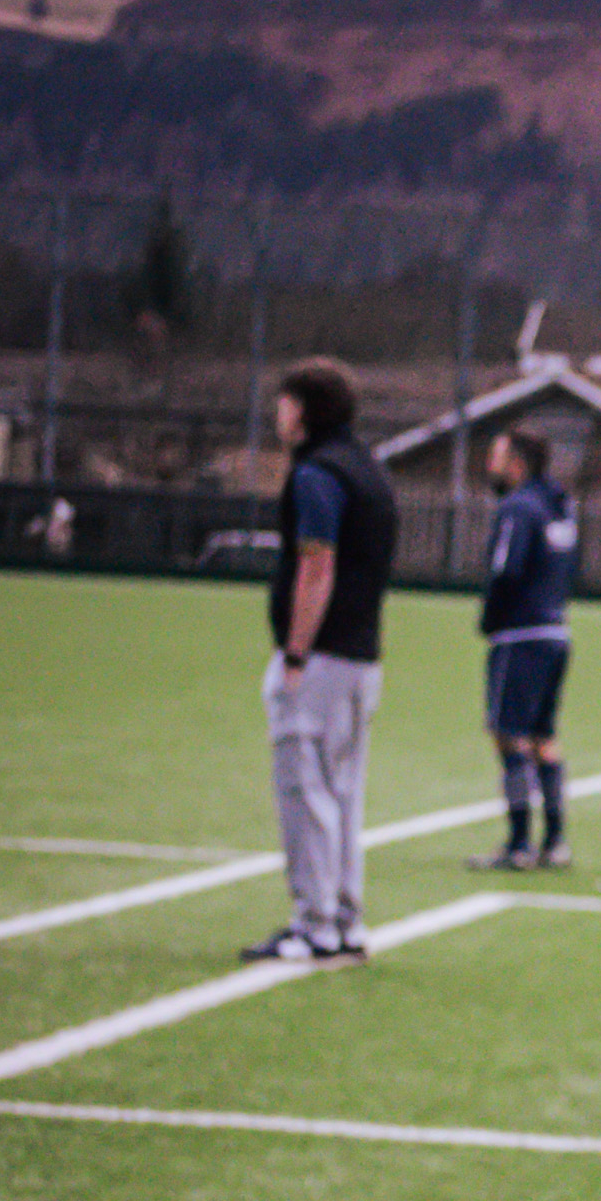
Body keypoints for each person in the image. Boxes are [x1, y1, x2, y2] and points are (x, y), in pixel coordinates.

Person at [240, 360, 398, 965]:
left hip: (322, 658)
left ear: (304, 409)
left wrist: (295, 652)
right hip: (361, 656)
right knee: (343, 795)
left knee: (306, 792)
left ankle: (315, 926)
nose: (277, 414)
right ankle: (344, 920)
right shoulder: (369, 469)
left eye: (284, 402)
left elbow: (316, 565)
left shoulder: (317, 474)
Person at [467, 426, 580, 871]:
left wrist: (490, 618)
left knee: (508, 734)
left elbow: (506, 570)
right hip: (556, 632)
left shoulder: (517, 507)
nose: (489, 465)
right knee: (543, 737)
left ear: (516, 464)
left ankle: (518, 845)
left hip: (520, 635)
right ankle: (555, 841)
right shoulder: (560, 506)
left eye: (495, 457)